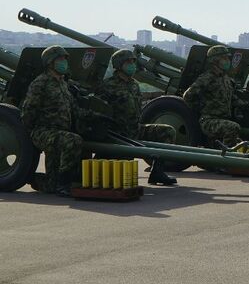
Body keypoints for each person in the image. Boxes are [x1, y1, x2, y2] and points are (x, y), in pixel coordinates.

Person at [96, 49, 177, 185]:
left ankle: (157, 172)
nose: (132, 65)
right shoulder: (107, 86)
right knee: (122, 178)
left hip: (135, 129)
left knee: (167, 131)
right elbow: (99, 110)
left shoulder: (134, 85)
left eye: (133, 62)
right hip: (118, 133)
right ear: (119, 65)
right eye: (128, 62)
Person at [20, 46, 83, 196]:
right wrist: (32, 133)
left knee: (50, 185)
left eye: (64, 59)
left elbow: (74, 108)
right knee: (73, 140)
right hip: (44, 131)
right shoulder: (40, 83)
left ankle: (31, 178)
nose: (64, 62)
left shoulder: (63, 83)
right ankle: (64, 185)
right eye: (60, 59)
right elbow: (28, 110)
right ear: (50, 62)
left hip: (59, 132)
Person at [182, 45, 242, 147]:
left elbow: (232, 98)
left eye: (228, 58)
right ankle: (227, 155)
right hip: (209, 120)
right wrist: (200, 108)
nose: (228, 61)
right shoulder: (207, 78)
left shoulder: (226, 79)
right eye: (224, 58)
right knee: (233, 128)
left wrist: (247, 104)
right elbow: (188, 96)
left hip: (223, 119)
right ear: (215, 61)